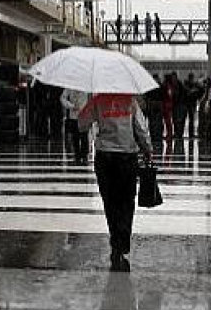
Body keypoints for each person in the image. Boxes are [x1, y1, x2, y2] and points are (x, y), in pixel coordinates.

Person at [78, 91, 154, 272]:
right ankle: (123, 239)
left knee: (110, 201)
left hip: (105, 157)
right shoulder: (130, 101)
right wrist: (147, 149)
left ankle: (115, 241)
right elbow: (141, 129)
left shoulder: (98, 101)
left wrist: (91, 107)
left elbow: (81, 124)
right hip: (127, 157)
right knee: (127, 201)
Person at [61, 88, 91, 164]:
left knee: (84, 136)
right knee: (75, 137)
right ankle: (77, 156)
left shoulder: (86, 87)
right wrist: (71, 106)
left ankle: (84, 156)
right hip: (74, 116)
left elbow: (91, 99)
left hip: (84, 116)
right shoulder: (69, 87)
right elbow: (62, 98)